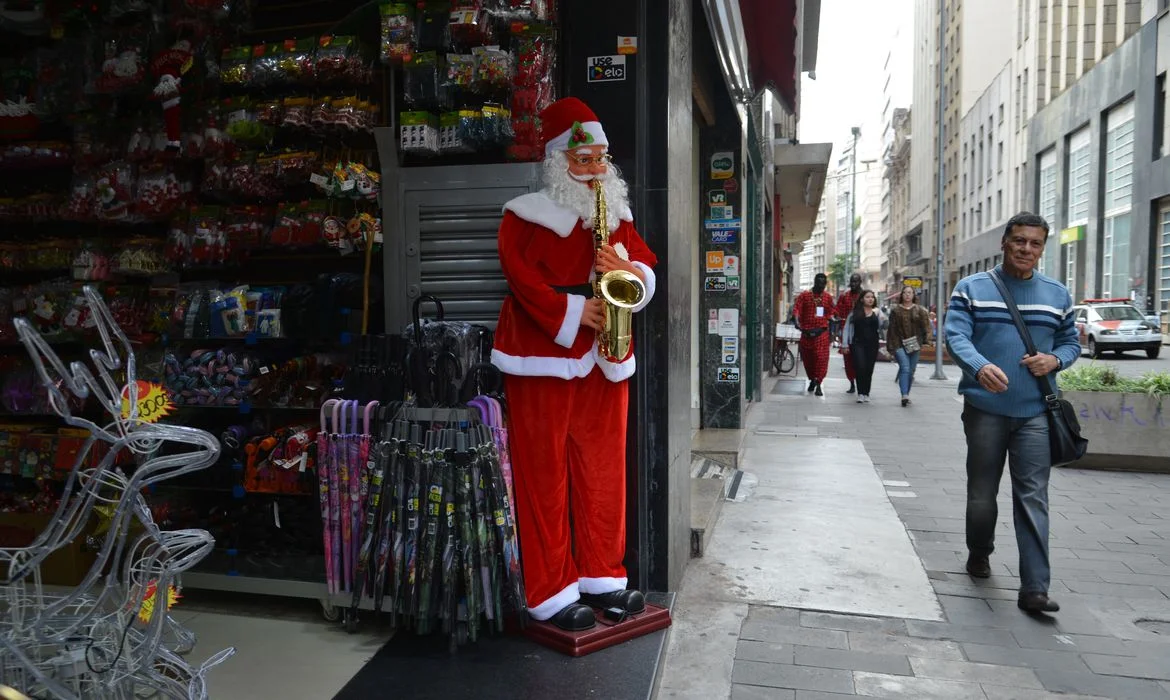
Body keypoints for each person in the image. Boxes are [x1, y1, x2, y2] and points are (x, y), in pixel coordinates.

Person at [491, 97, 657, 631]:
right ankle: (551, 591)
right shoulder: (524, 215)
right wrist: (571, 311)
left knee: (605, 469)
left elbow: (646, 270)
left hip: (606, 353)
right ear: (558, 162)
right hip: (542, 354)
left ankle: (602, 578)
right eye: (583, 161)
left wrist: (625, 269)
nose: (594, 171)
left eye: (601, 160)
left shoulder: (619, 218)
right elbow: (520, 278)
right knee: (543, 474)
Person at [944, 212, 1080, 615]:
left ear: (1042, 248)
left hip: (1037, 412)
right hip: (985, 410)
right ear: (1004, 242)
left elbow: (1071, 342)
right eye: (1019, 241)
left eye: (1035, 243)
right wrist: (979, 366)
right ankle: (979, 551)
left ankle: (1035, 588)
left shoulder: (1057, 294)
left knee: (1033, 496)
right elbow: (956, 335)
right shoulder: (972, 288)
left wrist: (1054, 360)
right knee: (982, 493)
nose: (1026, 249)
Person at [886, 285, 931, 407]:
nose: (907, 295)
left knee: (911, 371)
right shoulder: (895, 311)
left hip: (915, 344)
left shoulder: (920, 310)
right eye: (905, 292)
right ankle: (904, 395)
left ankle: (906, 393)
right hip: (899, 343)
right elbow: (892, 329)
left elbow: (926, 326)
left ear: (913, 295)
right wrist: (890, 346)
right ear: (902, 295)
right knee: (905, 368)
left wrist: (927, 341)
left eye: (910, 292)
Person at [793, 273, 835, 396]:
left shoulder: (827, 297)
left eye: (823, 283)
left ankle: (818, 383)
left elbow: (831, 312)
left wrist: (833, 319)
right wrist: (796, 320)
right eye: (818, 282)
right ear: (814, 282)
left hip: (821, 333)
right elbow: (797, 309)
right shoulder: (805, 296)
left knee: (821, 358)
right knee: (808, 359)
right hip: (806, 333)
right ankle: (812, 378)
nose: (821, 285)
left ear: (825, 284)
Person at [841, 289, 884, 403]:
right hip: (857, 343)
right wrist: (845, 344)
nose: (870, 299)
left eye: (872, 297)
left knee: (869, 369)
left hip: (873, 344)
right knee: (860, 367)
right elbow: (846, 328)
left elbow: (883, 326)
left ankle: (866, 393)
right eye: (867, 297)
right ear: (862, 299)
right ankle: (860, 393)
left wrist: (884, 319)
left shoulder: (877, 312)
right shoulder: (855, 313)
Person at [834, 273, 863, 394]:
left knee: (861, 359)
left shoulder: (865, 295)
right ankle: (852, 382)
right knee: (848, 359)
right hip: (846, 332)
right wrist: (835, 317)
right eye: (852, 281)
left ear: (860, 282)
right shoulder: (844, 296)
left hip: (861, 331)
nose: (854, 284)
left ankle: (861, 383)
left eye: (856, 281)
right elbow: (837, 310)